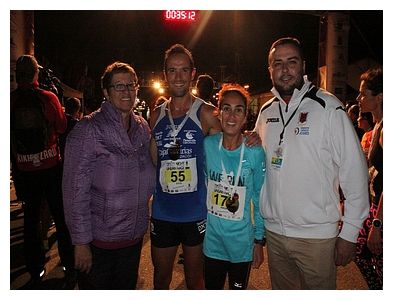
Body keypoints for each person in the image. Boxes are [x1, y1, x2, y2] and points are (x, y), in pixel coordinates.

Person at [254, 37, 369, 289]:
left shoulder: (328, 108)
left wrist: (349, 233)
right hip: (275, 234)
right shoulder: (266, 112)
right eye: (278, 63)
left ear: (303, 65)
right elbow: (258, 168)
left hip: (316, 238)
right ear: (270, 69)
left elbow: (355, 174)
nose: (285, 70)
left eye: (291, 62)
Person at [62, 62, 155, 289]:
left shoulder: (142, 127)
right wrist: (81, 242)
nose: (126, 91)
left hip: (132, 239)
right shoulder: (88, 130)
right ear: (106, 91)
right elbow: (74, 192)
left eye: (131, 85)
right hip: (99, 243)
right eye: (118, 86)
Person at [149, 44, 222, 289]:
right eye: (172, 70)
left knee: (194, 281)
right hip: (163, 212)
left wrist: (250, 139)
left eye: (183, 70)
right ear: (165, 74)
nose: (178, 76)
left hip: (196, 213)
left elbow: (228, 150)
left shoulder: (207, 113)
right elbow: (154, 159)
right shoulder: (156, 115)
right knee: (160, 279)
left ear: (192, 73)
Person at [10, 54, 75, 288]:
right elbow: (61, 126)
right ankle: (68, 265)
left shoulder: (11, 100)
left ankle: (35, 268)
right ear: (36, 74)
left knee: (31, 220)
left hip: (25, 169)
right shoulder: (47, 97)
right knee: (60, 216)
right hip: (50, 167)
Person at [203, 83, 265, 289]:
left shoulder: (255, 152)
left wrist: (258, 240)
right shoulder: (208, 145)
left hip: (241, 243)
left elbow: (259, 196)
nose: (231, 116)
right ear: (218, 113)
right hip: (212, 242)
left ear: (246, 115)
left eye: (238, 110)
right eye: (226, 108)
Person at [355, 67, 383, 289]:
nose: (359, 98)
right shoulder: (376, 127)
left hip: (381, 210)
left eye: (364, 93)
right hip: (373, 205)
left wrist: (378, 223)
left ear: (380, 97)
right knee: (360, 253)